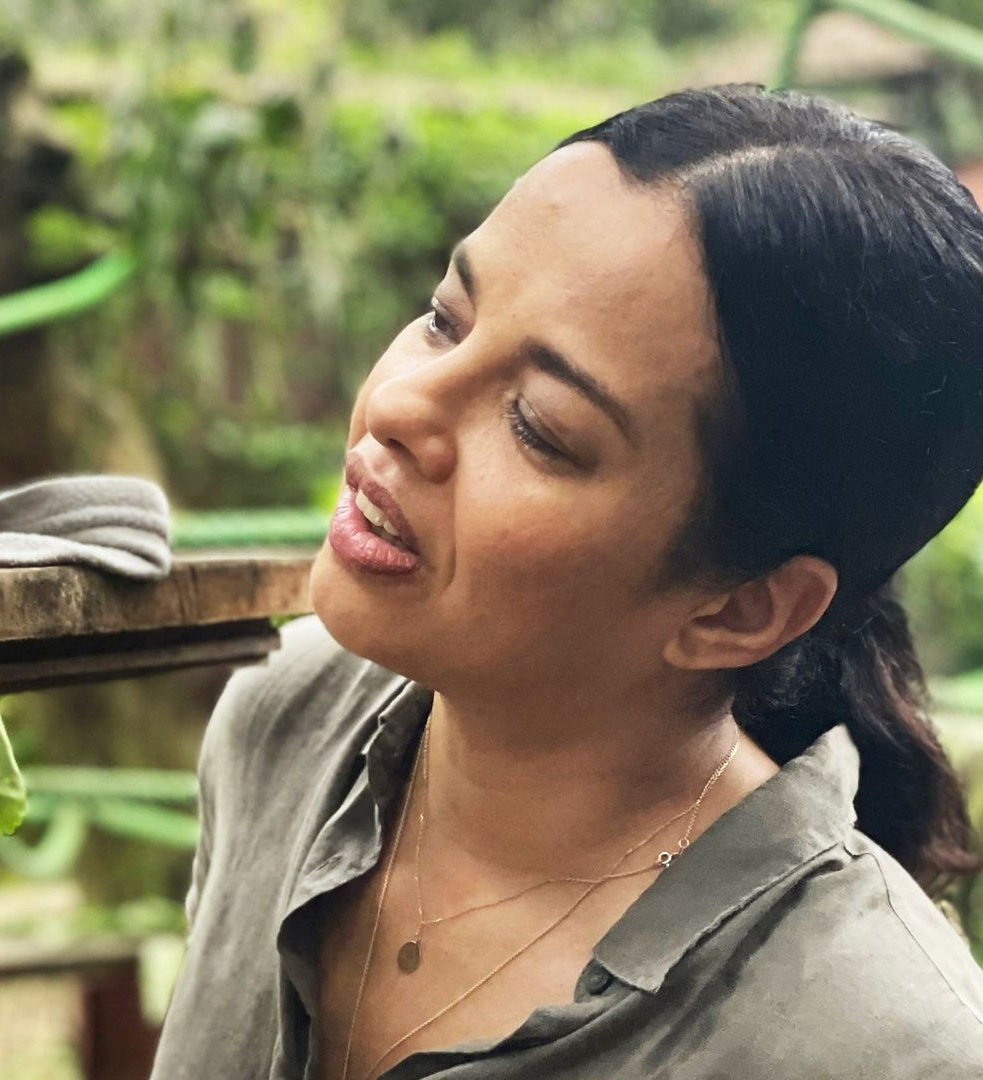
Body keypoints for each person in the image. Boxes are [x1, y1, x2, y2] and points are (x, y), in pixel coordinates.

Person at [152, 82, 983, 1079]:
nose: (401, 405)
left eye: (537, 426)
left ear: (738, 607)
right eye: (444, 320)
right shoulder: (288, 719)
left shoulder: (880, 1046)